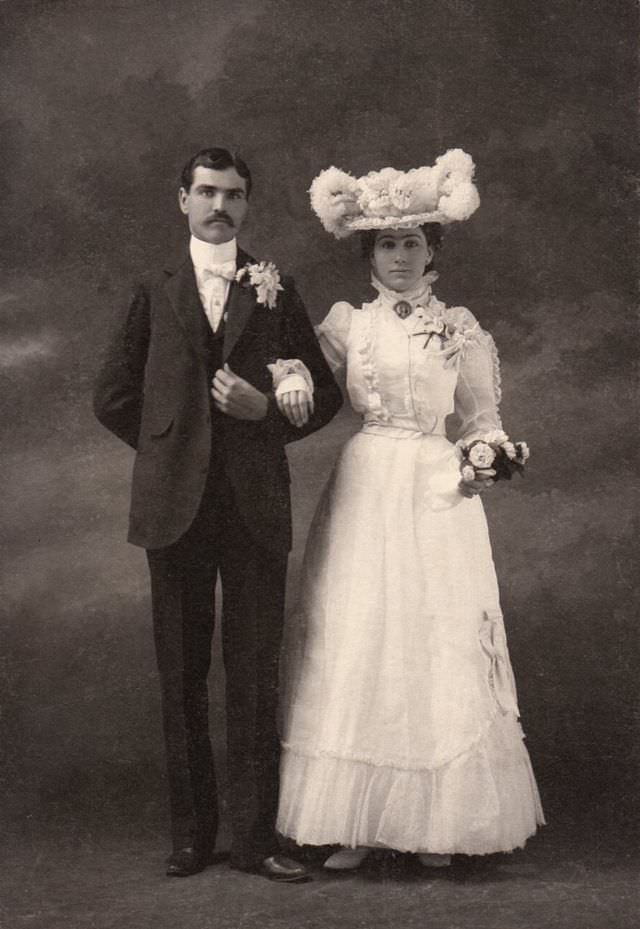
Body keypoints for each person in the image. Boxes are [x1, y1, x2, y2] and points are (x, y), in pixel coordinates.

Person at [276, 151, 545, 870]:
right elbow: (299, 367)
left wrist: (488, 455)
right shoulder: (347, 324)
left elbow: (482, 415)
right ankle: (360, 819)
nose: (400, 256)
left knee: (434, 632)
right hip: (368, 482)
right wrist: (292, 373)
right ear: (371, 252)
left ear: (433, 251)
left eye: (412, 243)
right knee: (361, 632)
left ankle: (440, 823)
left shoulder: (459, 327)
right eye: (388, 244)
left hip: (435, 484)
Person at [93, 147, 342, 880]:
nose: (219, 205)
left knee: (255, 671)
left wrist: (266, 412)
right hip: (174, 507)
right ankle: (192, 835)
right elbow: (111, 396)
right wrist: (172, 442)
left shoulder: (276, 287)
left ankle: (257, 838)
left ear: (247, 204)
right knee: (181, 673)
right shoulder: (153, 287)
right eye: (205, 192)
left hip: (254, 505)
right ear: (182, 201)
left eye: (233, 194)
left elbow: (322, 395)